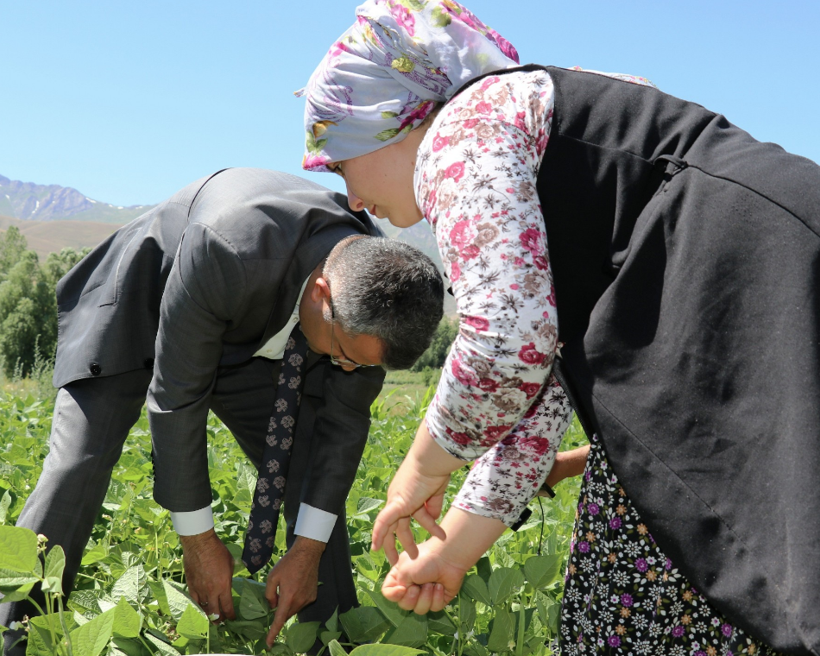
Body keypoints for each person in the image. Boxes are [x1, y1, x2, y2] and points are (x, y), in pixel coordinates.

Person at [299, 2, 820, 655]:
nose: (351, 199)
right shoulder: (518, 131)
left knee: (653, 573)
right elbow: (538, 392)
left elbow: (505, 344)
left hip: (736, 289)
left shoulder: (460, 132)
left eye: (340, 161)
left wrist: (420, 470)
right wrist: (454, 551)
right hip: (771, 274)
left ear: (393, 121)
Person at [0, 168, 444, 656]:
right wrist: (198, 541)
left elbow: (341, 431)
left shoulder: (379, 299)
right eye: (343, 353)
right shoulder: (229, 247)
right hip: (141, 303)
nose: (347, 368)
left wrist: (308, 551)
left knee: (308, 461)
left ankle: (328, 642)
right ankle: (17, 636)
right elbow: (177, 400)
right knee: (78, 464)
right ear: (323, 293)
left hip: (255, 332)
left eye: (361, 365)